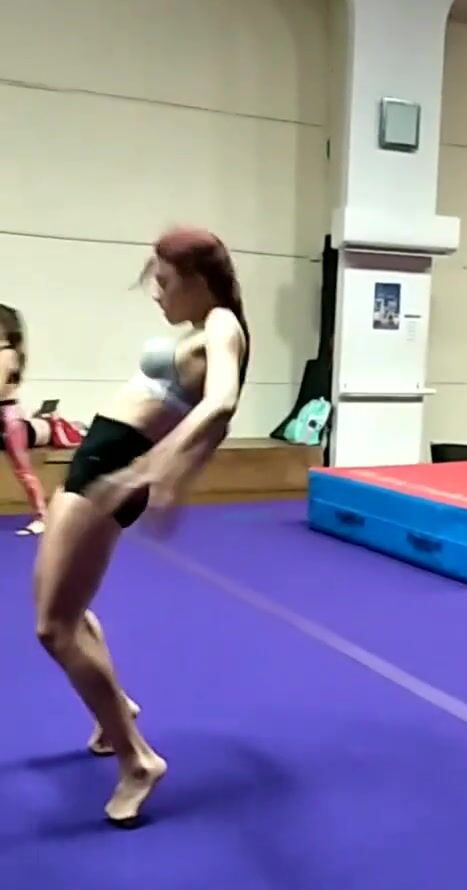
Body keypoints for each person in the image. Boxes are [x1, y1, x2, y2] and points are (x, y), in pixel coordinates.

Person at [33, 226, 249, 825]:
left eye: (166, 281)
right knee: (67, 613)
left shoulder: (222, 324)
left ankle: (137, 760)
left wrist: (152, 468)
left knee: (53, 629)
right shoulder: (202, 327)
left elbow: (222, 403)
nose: (157, 293)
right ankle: (114, 715)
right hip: (101, 462)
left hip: (113, 469)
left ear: (199, 280)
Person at [0, 304, 47, 535]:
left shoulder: (6, 353)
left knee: (23, 470)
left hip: (7, 415)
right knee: (22, 470)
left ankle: (42, 516)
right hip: (7, 413)